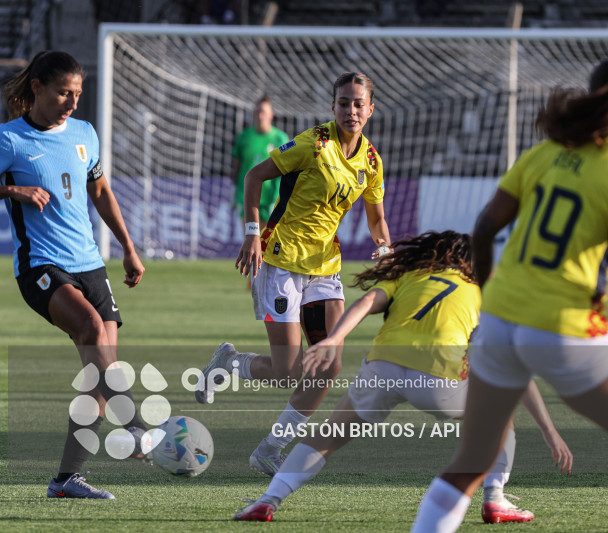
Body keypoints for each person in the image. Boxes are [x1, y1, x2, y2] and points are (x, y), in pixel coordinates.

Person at [231, 231, 573, 522]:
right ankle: (495, 500)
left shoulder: (408, 277)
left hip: (383, 367)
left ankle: (268, 500)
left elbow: (366, 302)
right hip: (438, 380)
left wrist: (334, 339)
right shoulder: (482, 293)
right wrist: (550, 430)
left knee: (327, 437)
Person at [411, 60, 608, 532]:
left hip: (498, 320)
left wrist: (491, 289)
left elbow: (483, 227)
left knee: (472, 460)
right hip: (561, 325)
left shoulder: (543, 154)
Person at [0, 50, 149, 500]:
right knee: (94, 334)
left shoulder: (84, 133)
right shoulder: (8, 139)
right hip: (41, 267)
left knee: (99, 371)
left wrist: (129, 248)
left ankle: (65, 479)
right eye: (63, 93)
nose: (72, 103)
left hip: (89, 263)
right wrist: (10, 189)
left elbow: (99, 190)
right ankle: (135, 425)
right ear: (37, 87)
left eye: (78, 94)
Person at [196, 72, 392, 476]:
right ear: (332, 107)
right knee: (288, 371)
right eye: (343, 103)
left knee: (329, 365)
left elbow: (377, 219)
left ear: (371, 109)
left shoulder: (371, 161)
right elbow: (254, 177)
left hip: (325, 268)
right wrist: (252, 235)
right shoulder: (313, 143)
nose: (351, 110)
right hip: (281, 260)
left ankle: (271, 448)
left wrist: (386, 250)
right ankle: (229, 363)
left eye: (359, 104)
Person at [231, 95, 290, 226]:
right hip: (247, 197)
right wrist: (234, 189)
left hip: (271, 199)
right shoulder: (244, 137)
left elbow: (287, 169)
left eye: (263, 112)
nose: (259, 115)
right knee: (249, 241)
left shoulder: (280, 139)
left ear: (271, 115)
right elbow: (237, 166)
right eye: (257, 111)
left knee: (266, 243)